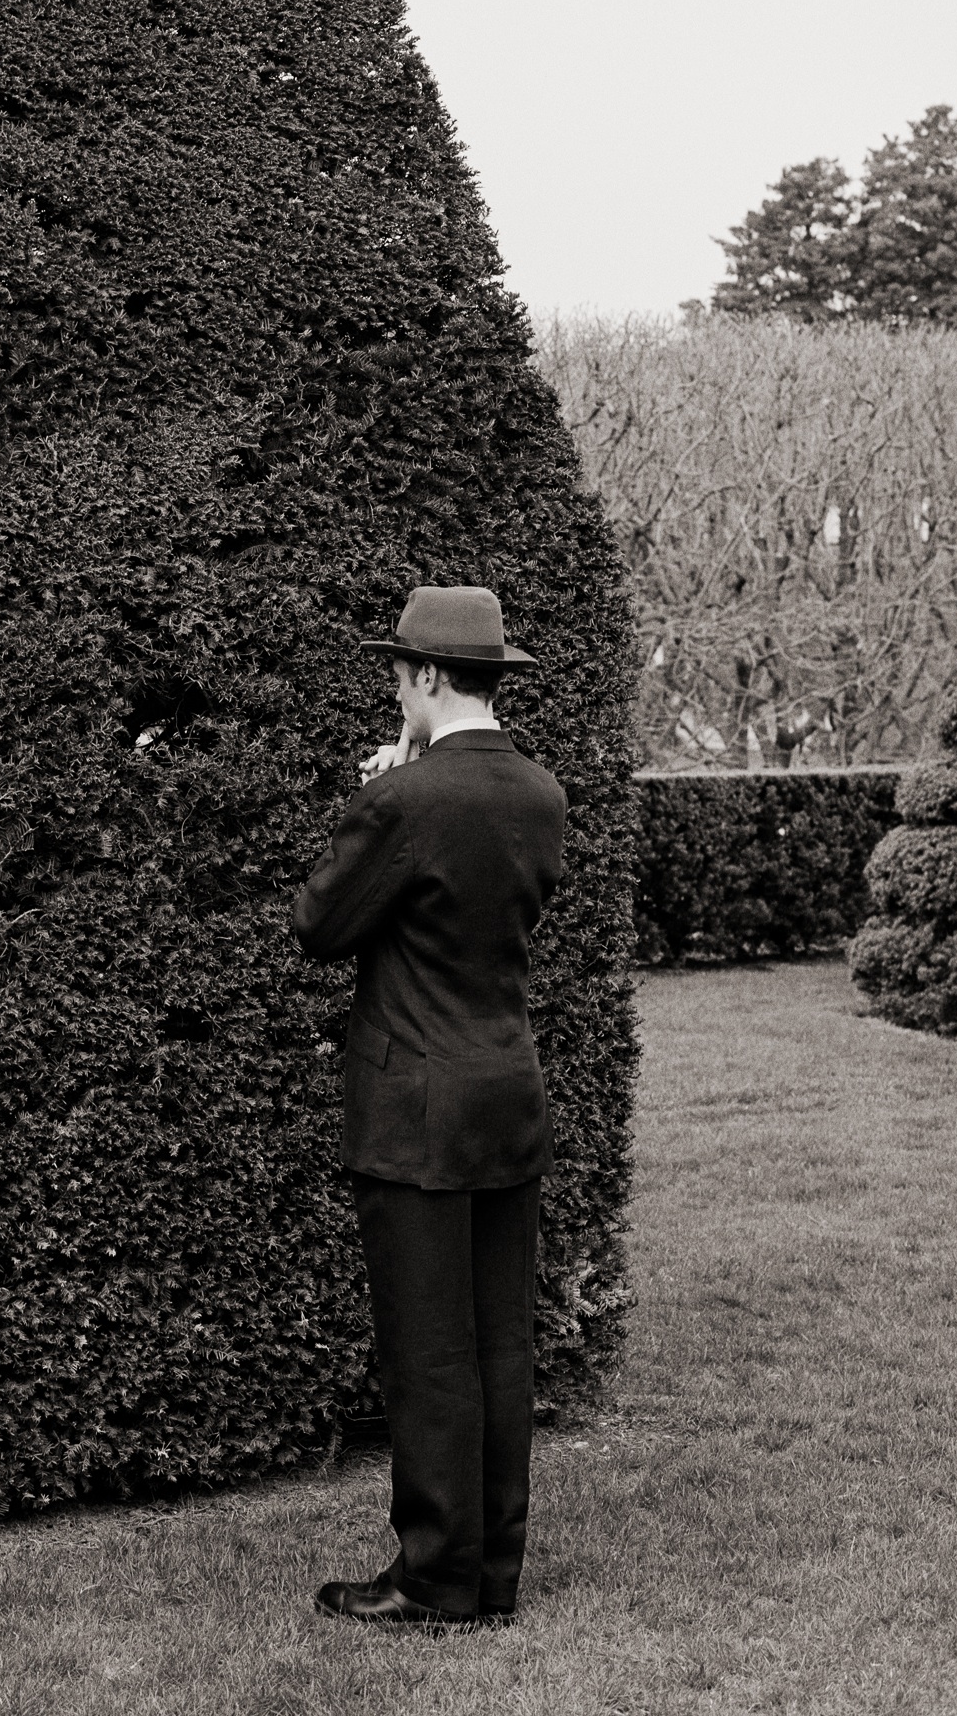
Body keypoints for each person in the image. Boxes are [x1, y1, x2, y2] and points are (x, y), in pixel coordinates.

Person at [291, 585, 565, 1629]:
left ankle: (436, 1581)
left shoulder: (404, 799)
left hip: (416, 1104)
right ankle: (493, 1573)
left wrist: (379, 797)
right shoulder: (540, 793)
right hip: (506, 1089)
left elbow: (318, 923)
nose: (394, 691)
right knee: (500, 1343)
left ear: (427, 678)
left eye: (398, 674)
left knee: (430, 1352)